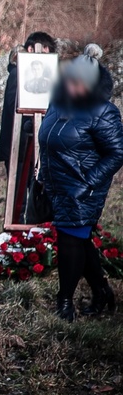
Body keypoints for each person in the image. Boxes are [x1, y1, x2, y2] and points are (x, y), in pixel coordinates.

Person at [39, 44, 123, 322]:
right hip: (56, 184)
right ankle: (102, 293)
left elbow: (117, 152)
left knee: (70, 239)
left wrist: (87, 183)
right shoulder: (56, 104)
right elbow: (47, 141)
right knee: (79, 239)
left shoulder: (103, 112)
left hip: (84, 187)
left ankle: (64, 301)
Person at [0, 32, 56, 173]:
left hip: (32, 146)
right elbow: (15, 107)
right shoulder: (18, 74)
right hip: (20, 147)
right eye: (44, 54)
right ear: (31, 50)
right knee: (19, 192)